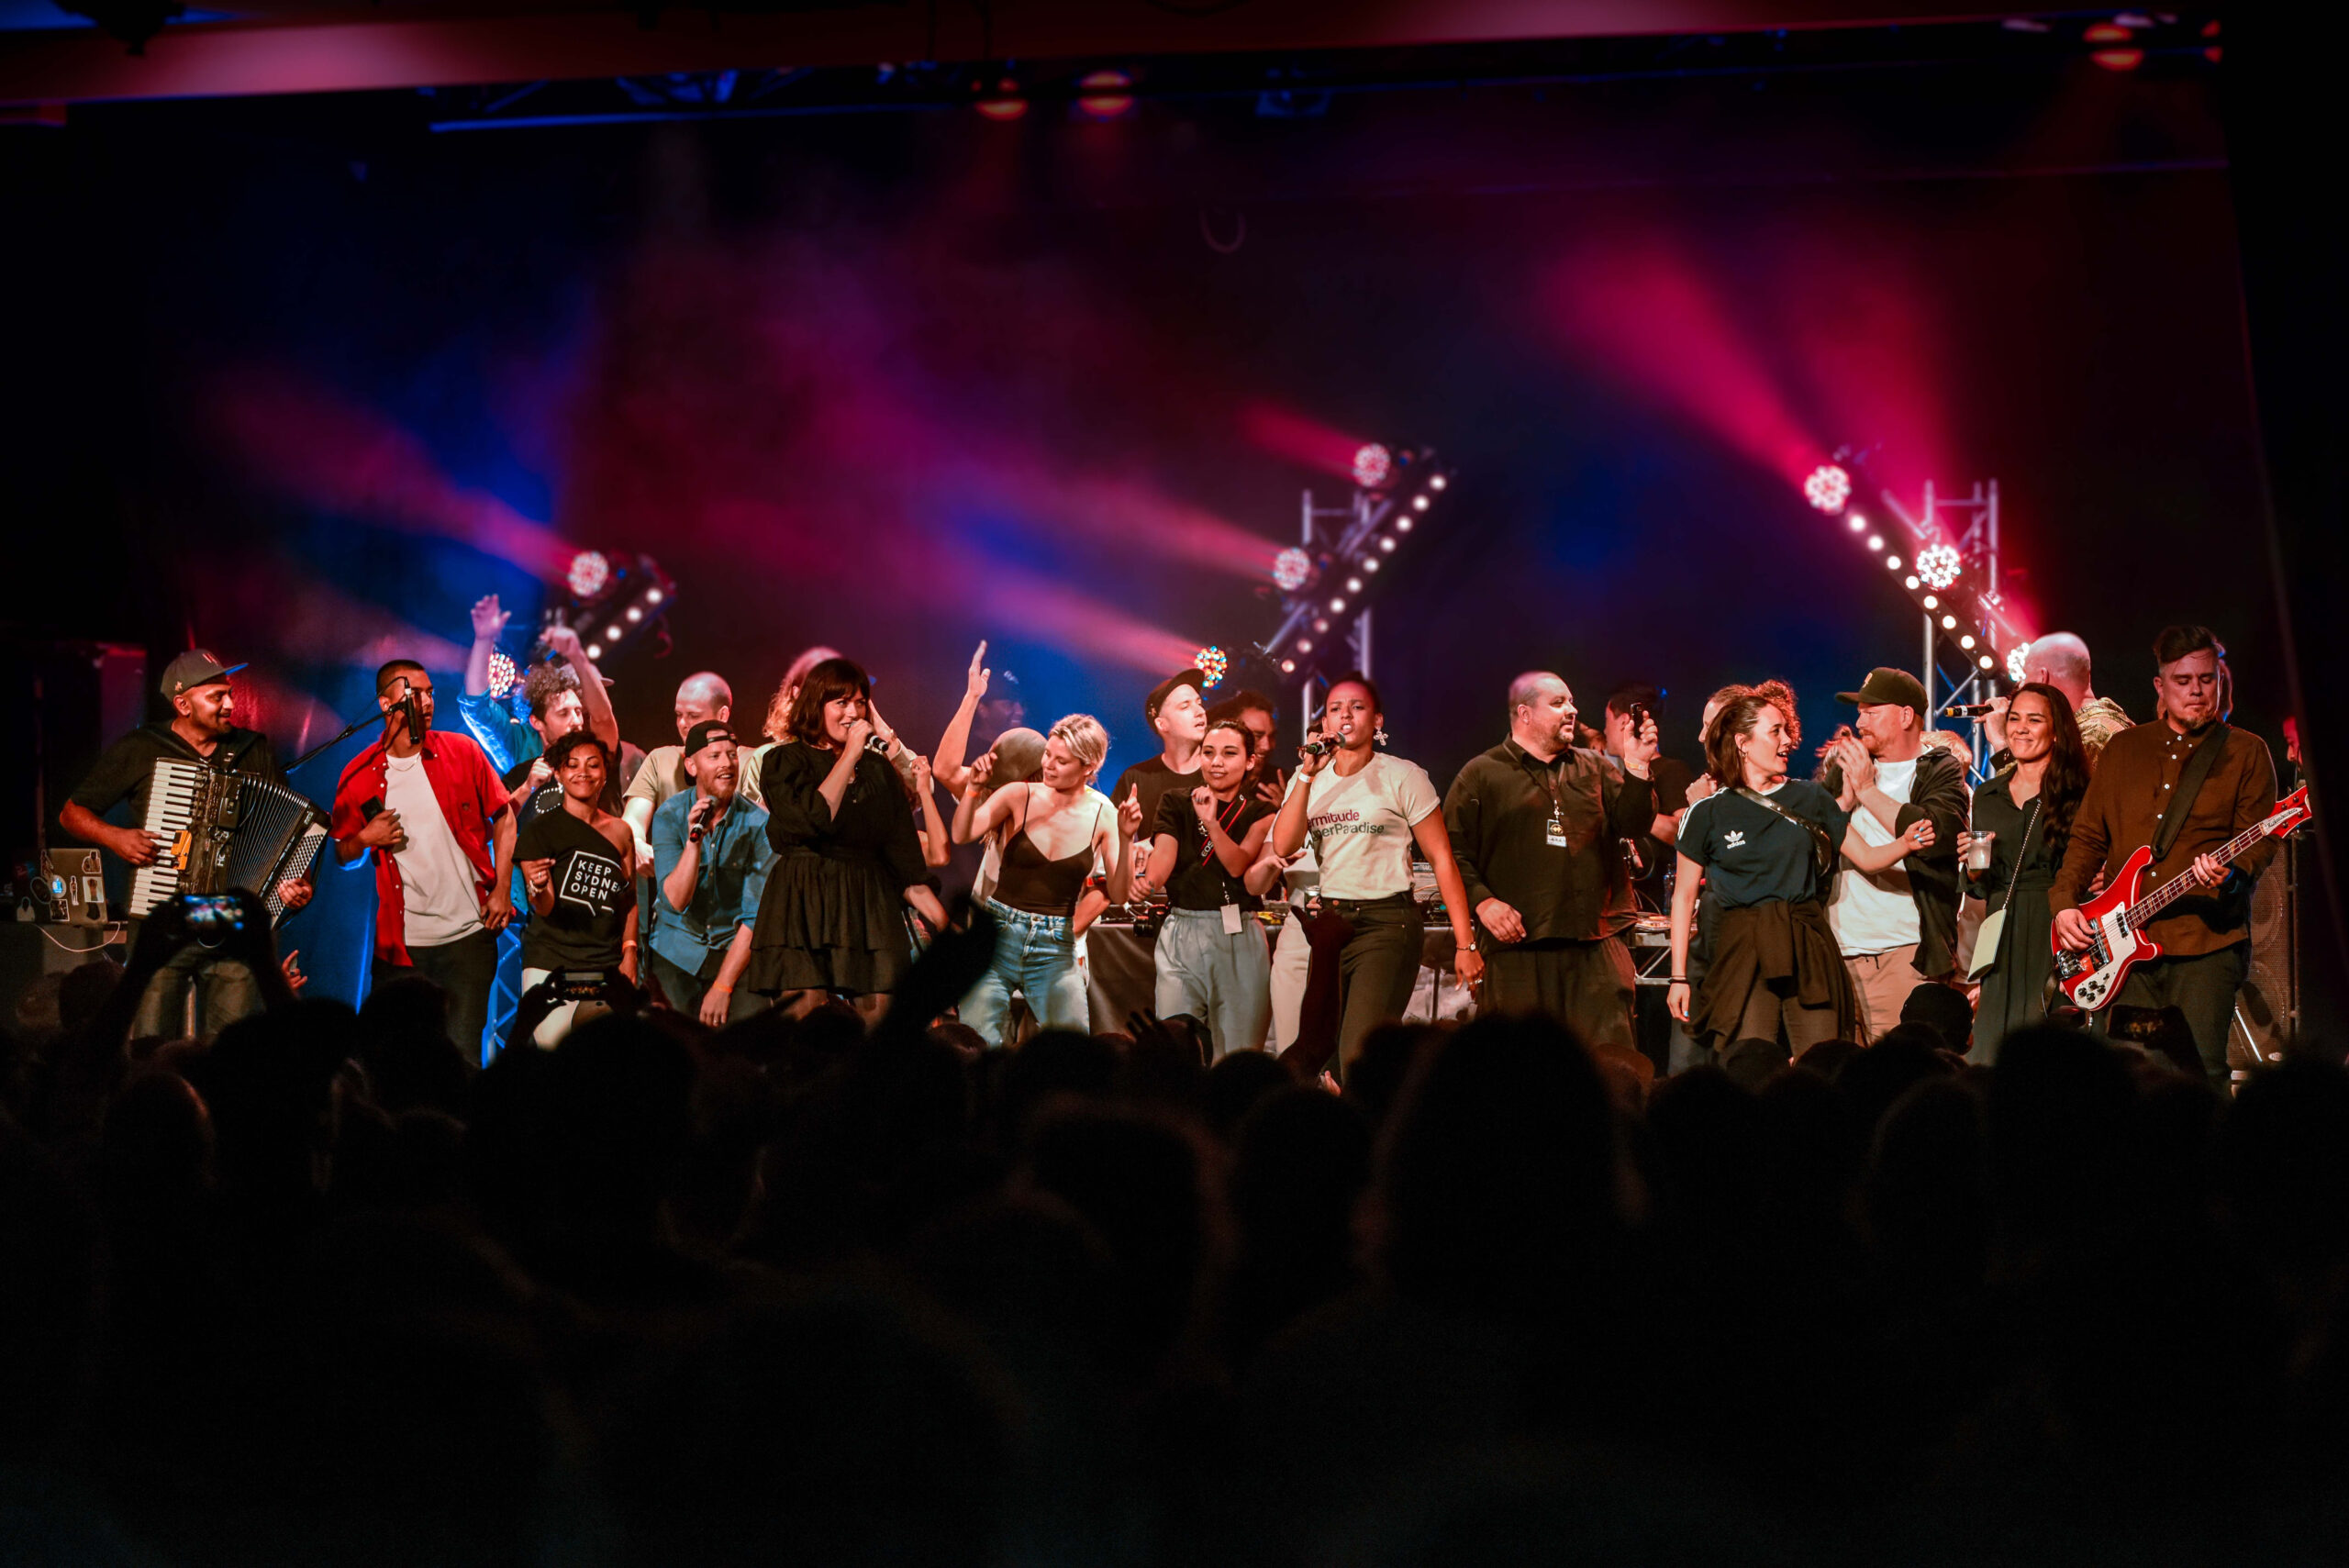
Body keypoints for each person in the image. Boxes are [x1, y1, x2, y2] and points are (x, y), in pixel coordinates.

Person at [2053, 626, 2279, 1084]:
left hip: (2206, 945)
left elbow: (2259, 842)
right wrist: (2064, 904)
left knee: (2199, 1074)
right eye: (2183, 680)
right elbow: (2088, 837)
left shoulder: (2247, 752)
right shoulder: (2124, 749)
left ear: (2219, 680)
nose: (2196, 691)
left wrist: (2231, 874)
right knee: (2127, 1075)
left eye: (2206, 679)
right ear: (2160, 685)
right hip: (2123, 951)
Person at [59, 649, 314, 1039]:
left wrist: (299, 880)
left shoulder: (253, 750)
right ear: (182, 704)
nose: (230, 705)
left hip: (232, 920)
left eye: (229, 694)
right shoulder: (143, 747)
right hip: (165, 918)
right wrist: (115, 837)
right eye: (217, 697)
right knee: (150, 1042)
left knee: (229, 1047)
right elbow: (71, 813)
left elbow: (288, 827)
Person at [1667, 694, 1936, 1055]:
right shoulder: (1706, 813)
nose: (1787, 740)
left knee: (1823, 1058)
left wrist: (1906, 842)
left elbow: (1867, 858)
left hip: (1807, 943)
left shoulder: (1811, 797)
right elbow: (1684, 897)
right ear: (1743, 743)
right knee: (1749, 1063)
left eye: (1786, 731)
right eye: (1775, 731)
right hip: (1742, 949)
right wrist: (1678, 977)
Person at [1268, 674, 1480, 1080]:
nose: (1345, 715)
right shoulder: (1308, 777)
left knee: (1358, 1054)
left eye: (1357, 707)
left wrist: (1465, 942)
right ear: (1325, 723)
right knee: (1320, 1051)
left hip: (1386, 923)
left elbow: (1441, 859)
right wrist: (1307, 775)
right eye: (1335, 709)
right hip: (1331, 925)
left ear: (1377, 720)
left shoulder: (1402, 776)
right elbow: (1283, 844)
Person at [1442, 673, 1658, 1053]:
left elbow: (1635, 824)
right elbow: (1452, 853)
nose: (1572, 710)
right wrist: (1483, 901)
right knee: (1522, 1065)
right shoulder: (1481, 774)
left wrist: (1638, 766)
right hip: (1519, 951)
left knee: (1611, 1064)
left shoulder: (1595, 767)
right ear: (1524, 714)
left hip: (1597, 943)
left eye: (1571, 701)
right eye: (1558, 703)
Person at [329, 660, 517, 1064]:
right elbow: (342, 855)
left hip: (469, 937)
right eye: (415, 694)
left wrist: (502, 888)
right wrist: (364, 839)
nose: (428, 701)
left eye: (431, 692)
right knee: (394, 1062)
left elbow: (505, 815)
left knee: (462, 1059)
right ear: (386, 704)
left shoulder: (462, 751)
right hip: (400, 949)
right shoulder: (358, 774)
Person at [746, 657, 948, 1011]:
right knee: (807, 1019)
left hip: (867, 903)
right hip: (804, 899)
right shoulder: (784, 762)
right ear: (816, 705)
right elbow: (813, 818)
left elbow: (904, 862)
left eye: (860, 702)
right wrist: (851, 754)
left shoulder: (878, 771)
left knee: (880, 1018)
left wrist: (946, 925)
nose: (853, 713)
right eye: (841, 702)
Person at [952, 715, 1141, 1045]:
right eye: (1047, 755)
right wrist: (973, 789)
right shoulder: (1019, 794)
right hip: (996, 932)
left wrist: (1126, 839)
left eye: (1061, 760)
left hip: (1054, 946)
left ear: (1088, 766)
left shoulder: (1104, 813)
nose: (1048, 765)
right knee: (976, 1045)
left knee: (1071, 1049)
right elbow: (961, 833)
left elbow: (1120, 892)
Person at [1820, 668, 1971, 1042]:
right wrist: (1844, 800)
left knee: (1901, 1068)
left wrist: (1867, 791)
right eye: (1860, 713)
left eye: (1871, 712)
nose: (1859, 722)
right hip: (1838, 952)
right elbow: (1818, 836)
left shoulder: (1939, 768)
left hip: (1904, 954)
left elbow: (1936, 837)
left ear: (1905, 716)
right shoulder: (1847, 768)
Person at [1961, 684, 2092, 1062]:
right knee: (1991, 1051)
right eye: (2014, 718)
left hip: (2054, 928)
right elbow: (1980, 886)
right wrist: (1972, 866)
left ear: (2057, 731)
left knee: (2048, 1051)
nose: (2020, 728)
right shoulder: (1987, 796)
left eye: (2034, 720)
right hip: (2000, 928)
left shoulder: (2079, 794)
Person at [1139, 717, 1278, 1056]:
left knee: (1238, 1053)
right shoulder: (1175, 801)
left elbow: (1237, 865)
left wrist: (1211, 823)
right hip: (1180, 928)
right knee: (1174, 1046)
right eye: (1208, 752)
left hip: (1238, 931)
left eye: (1229, 753)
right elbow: (1163, 857)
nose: (1216, 762)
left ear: (1249, 761)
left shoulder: (1261, 812)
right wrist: (1146, 882)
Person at [512, 731, 639, 1049]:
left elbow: (628, 900)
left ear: (605, 774)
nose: (583, 772)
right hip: (551, 961)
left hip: (605, 963)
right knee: (556, 1057)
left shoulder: (621, 832)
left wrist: (630, 952)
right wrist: (538, 887)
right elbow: (543, 906)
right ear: (558, 773)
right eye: (573, 765)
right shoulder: (539, 830)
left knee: (605, 1053)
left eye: (593, 765)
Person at [646, 721, 772, 1027]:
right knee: (675, 1040)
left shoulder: (759, 824)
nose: (727, 763)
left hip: (733, 950)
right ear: (691, 766)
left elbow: (754, 917)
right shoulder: (670, 815)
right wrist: (694, 841)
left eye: (732, 755)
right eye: (715, 756)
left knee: (749, 1036)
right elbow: (674, 901)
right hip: (677, 949)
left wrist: (723, 987)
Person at [458, 596, 621, 774]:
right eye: (563, 713)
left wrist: (577, 655)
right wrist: (484, 640)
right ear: (537, 722)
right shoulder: (520, 744)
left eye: (578, 711)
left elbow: (603, 719)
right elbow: (476, 706)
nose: (577, 721)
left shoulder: (593, 747)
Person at [621, 672, 733, 864]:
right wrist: (636, 843)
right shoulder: (660, 759)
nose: (682, 724)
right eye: (679, 715)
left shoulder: (749, 761)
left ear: (722, 715)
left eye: (693, 716)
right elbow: (633, 820)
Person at [1601, 683, 1693, 901]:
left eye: (1607, 721)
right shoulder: (1622, 777)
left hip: (1658, 901)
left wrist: (1629, 813)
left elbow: (1684, 832)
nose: (1604, 730)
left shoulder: (1671, 770)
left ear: (1624, 722)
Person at [1988, 630, 2132, 758]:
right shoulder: (2092, 728)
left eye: (2025, 676)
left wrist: (2002, 742)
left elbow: (2032, 782)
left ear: (2042, 678)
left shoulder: (2092, 737)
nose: (2021, 685)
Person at [1108, 668, 1210, 846]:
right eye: (1185, 706)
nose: (1200, 711)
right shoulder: (1136, 778)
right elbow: (1110, 842)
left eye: (1199, 703)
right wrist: (1129, 841)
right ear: (1162, 724)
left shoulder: (1219, 772)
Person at [740, 645, 842, 811]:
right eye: (819, 689)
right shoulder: (767, 757)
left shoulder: (862, 754)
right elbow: (751, 820)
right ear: (797, 693)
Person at [1209, 687, 1285, 806]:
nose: (1267, 746)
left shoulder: (1286, 784)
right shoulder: (1203, 779)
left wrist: (1287, 811)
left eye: (1271, 736)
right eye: (1257, 735)